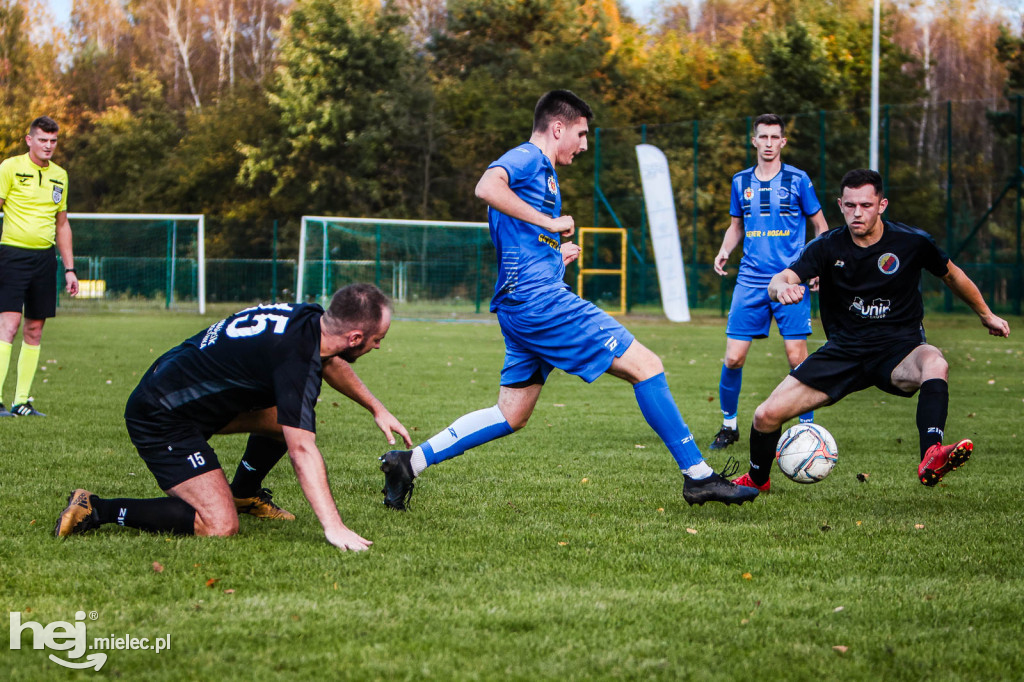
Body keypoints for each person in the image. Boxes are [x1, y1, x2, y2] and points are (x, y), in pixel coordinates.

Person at [379, 90, 758, 510]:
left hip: (522, 302)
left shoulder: (544, 174)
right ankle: (698, 476)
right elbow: (486, 187)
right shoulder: (528, 157)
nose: (583, 144)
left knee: (511, 414)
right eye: (580, 133)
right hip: (540, 303)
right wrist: (550, 222)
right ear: (557, 127)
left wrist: (553, 254)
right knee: (647, 366)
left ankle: (409, 463)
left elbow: (515, 240)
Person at [55, 283, 411, 551]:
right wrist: (333, 526)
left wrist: (377, 408)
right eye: (377, 339)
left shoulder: (310, 319)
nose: (378, 346)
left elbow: (330, 360)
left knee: (281, 423)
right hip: (161, 414)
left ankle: (243, 493)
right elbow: (302, 450)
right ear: (355, 337)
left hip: (189, 393)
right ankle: (97, 508)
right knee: (219, 525)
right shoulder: (294, 359)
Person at [732, 169, 1010, 492]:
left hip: (899, 350)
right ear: (840, 205)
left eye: (865, 205)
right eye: (849, 205)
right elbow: (782, 278)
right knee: (765, 415)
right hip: (843, 353)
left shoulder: (912, 242)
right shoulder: (826, 247)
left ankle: (932, 453)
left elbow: (952, 275)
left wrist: (986, 313)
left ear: (882, 204)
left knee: (936, 362)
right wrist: (780, 289)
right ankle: (756, 480)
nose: (857, 213)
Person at [709, 114, 828, 451]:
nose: (769, 143)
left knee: (796, 357)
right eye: (763, 137)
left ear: (783, 142)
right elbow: (736, 226)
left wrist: (815, 265)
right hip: (750, 279)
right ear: (754, 141)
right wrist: (724, 250)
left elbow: (821, 226)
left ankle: (807, 430)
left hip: (791, 278)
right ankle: (729, 426)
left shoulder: (798, 180)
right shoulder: (739, 181)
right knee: (733, 358)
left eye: (775, 137)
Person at [0, 116, 79, 417]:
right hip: (11, 256)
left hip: (44, 260)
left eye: (53, 141)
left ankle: (22, 402)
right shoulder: (10, 167)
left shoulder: (61, 175)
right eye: (43, 140)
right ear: (28, 139)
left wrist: (69, 269)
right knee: (9, 325)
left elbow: (62, 224)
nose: (48, 145)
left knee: (34, 329)